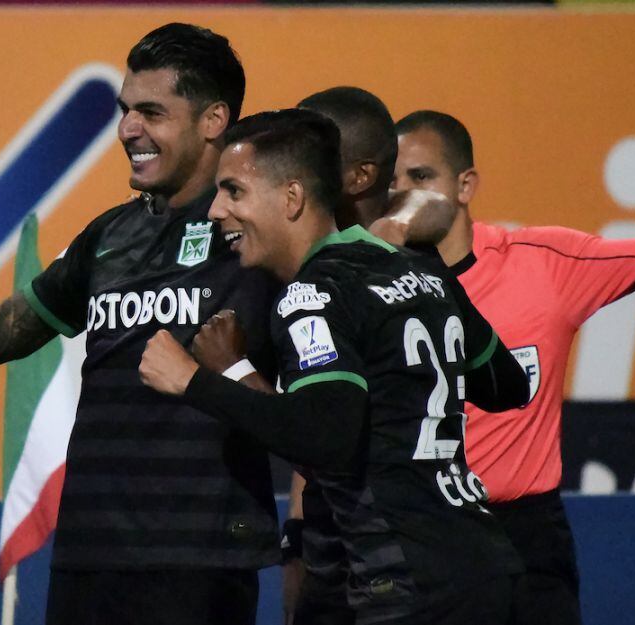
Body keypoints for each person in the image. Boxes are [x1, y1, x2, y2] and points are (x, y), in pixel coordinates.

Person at [0, 23, 284, 625]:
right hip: (89, 552)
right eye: (125, 111)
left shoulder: (258, 237)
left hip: (199, 558)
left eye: (151, 112)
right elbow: (8, 330)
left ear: (213, 120)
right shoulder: (109, 235)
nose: (128, 130)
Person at [139, 108, 530, 625]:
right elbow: (507, 384)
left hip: (407, 582)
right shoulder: (419, 268)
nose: (215, 211)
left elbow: (327, 437)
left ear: (292, 198)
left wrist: (198, 381)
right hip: (487, 566)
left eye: (233, 191)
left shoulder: (311, 295)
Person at [390, 110, 635, 625]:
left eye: (421, 177)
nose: (404, 193)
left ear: (465, 185)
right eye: (393, 180)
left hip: (527, 537)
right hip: (418, 534)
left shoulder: (543, 263)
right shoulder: (367, 283)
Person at [279, 87, 455, 625]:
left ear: (358, 177)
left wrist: (220, 375)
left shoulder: (375, 274)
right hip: (338, 539)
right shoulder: (296, 252)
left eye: (309, 160)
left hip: (386, 556)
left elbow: (331, 433)